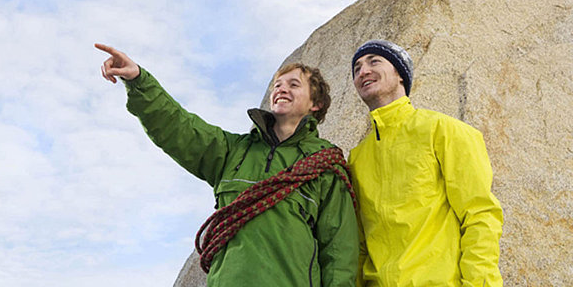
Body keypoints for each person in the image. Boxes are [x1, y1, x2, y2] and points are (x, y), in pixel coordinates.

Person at [95, 43, 359, 287]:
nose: (281, 89)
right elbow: (179, 127)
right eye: (277, 85)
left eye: (293, 84)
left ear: (316, 104)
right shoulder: (234, 152)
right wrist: (139, 80)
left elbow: (339, 252)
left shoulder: (326, 167)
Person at [348, 40, 504, 287]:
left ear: (400, 74)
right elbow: (360, 244)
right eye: (356, 68)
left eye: (374, 61)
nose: (363, 71)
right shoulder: (357, 158)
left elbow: (480, 215)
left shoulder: (444, 130)